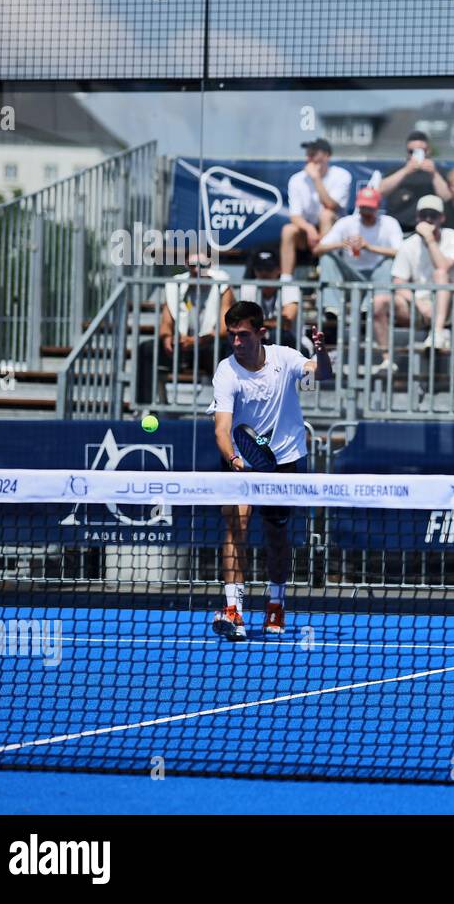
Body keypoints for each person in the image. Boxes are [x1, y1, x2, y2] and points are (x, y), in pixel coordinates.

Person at [211, 301, 332, 641]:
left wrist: (321, 354)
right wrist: (236, 461)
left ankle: (276, 603)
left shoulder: (285, 358)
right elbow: (221, 429)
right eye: (232, 335)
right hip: (240, 459)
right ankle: (233, 609)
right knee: (237, 525)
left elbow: (321, 375)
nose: (236, 342)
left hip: (285, 460)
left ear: (261, 333)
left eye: (243, 335)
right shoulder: (227, 372)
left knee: (276, 536)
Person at [313, 186, 403, 368]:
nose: (366, 212)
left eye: (369, 208)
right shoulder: (347, 223)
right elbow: (318, 249)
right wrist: (341, 243)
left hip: (377, 276)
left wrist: (369, 247)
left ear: (377, 207)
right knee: (327, 258)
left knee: (387, 264)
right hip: (350, 275)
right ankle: (332, 308)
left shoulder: (389, 223)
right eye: (363, 207)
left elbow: (401, 252)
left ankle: (366, 308)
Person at [136, 254, 234, 406]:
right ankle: (144, 408)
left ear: (210, 265)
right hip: (182, 346)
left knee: (225, 351)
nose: (196, 270)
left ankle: (225, 407)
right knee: (147, 349)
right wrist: (167, 338)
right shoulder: (176, 284)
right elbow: (166, 322)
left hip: (208, 347)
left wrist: (196, 341)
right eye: (192, 265)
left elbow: (223, 329)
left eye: (201, 265)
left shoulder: (222, 284)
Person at [391, 195, 454, 352]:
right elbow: (398, 282)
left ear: (442, 218)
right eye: (423, 215)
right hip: (421, 303)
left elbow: (443, 267)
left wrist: (429, 239)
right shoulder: (408, 244)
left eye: (433, 215)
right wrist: (419, 304)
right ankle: (430, 335)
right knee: (397, 300)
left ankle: (438, 331)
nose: (428, 219)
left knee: (440, 275)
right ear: (417, 218)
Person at [280, 139, 352, 280]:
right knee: (288, 230)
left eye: (313, 154)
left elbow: (330, 205)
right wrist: (309, 229)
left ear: (327, 156)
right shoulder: (296, 179)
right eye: (308, 155)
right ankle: (285, 282)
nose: (309, 159)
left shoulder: (342, 175)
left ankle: (326, 271)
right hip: (308, 234)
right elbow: (295, 216)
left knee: (326, 215)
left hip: (335, 232)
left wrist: (316, 179)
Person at [379, 130, 451, 233]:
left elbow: (447, 198)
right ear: (407, 152)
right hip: (400, 229)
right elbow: (380, 191)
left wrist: (434, 174)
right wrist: (405, 171)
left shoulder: (439, 172)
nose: (416, 154)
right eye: (412, 151)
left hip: (431, 228)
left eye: (422, 151)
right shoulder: (396, 171)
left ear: (429, 151)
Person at [238, 247, 301, 349]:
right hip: (259, 340)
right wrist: (270, 323)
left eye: (269, 268)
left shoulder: (288, 284)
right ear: (254, 271)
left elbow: (286, 322)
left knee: (276, 334)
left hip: (294, 343)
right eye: (259, 269)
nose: (264, 273)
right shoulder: (248, 287)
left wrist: (255, 323)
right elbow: (243, 321)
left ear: (279, 269)